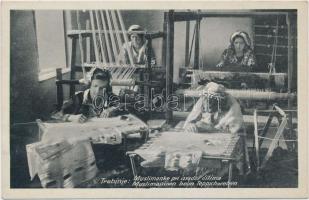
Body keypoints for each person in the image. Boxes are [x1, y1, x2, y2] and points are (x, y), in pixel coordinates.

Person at [51, 68, 119, 123]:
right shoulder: (78, 98)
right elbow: (55, 115)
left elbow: (125, 107)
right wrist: (70, 117)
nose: (98, 91)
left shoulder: (111, 97)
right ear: (90, 85)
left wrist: (112, 109)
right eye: (95, 86)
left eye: (102, 88)